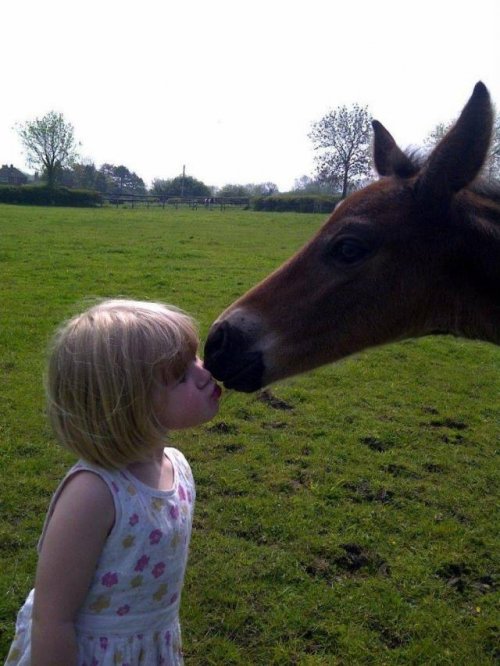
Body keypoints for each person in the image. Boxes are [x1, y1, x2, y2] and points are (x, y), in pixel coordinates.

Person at [5, 299, 222, 666]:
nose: (205, 374)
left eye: (195, 358)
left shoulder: (176, 465)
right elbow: (52, 619)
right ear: (127, 404)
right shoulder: (93, 494)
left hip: (151, 645)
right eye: (181, 376)